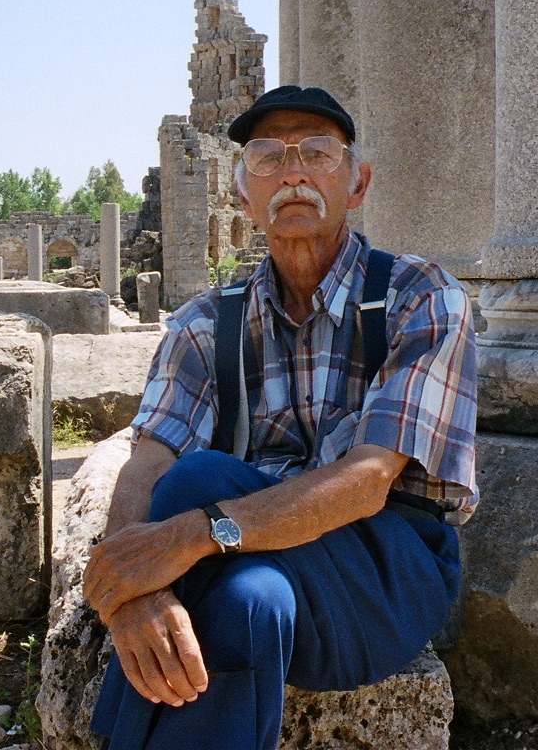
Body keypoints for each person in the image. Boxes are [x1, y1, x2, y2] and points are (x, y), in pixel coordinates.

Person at [82, 85, 480, 750]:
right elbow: (145, 459)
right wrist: (131, 589)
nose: (293, 172)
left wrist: (188, 538)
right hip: (259, 567)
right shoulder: (205, 323)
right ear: (241, 196)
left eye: (318, 154)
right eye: (267, 158)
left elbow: (368, 481)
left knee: (197, 479)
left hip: (385, 571)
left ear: (358, 183)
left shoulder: (420, 298)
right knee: (249, 602)